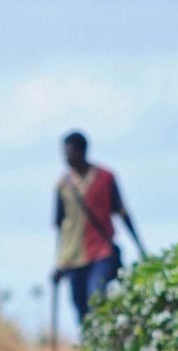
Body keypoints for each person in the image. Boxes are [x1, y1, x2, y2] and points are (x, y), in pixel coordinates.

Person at [53, 130, 144, 324]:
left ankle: (100, 345)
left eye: (69, 153)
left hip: (101, 252)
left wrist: (139, 246)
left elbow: (122, 212)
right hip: (72, 256)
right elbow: (60, 226)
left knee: (96, 299)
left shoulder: (106, 177)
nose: (66, 158)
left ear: (82, 152)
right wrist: (59, 263)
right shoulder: (62, 184)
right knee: (80, 306)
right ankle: (88, 349)